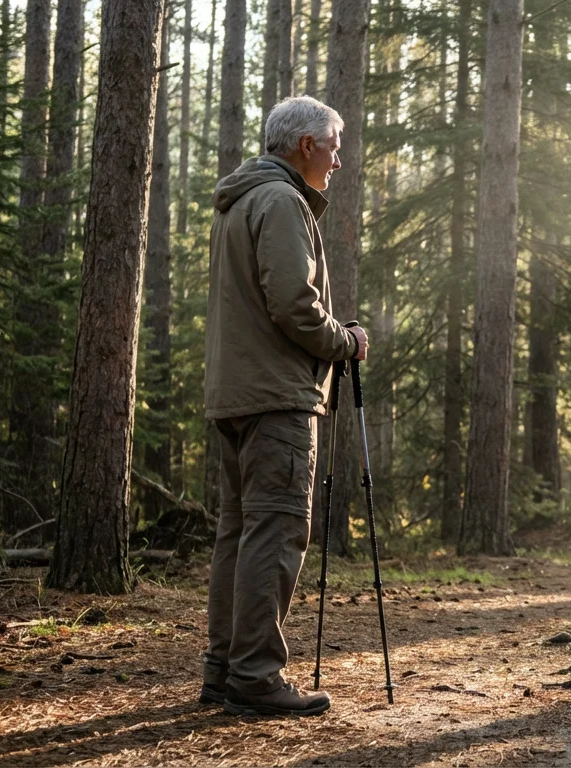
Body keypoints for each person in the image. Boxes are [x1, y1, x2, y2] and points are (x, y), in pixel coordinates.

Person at [199, 96, 368, 717]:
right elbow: (294, 304)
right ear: (306, 146)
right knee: (273, 532)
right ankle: (255, 676)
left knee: (240, 533)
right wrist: (345, 342)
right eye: (334, 146)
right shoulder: (282, 201)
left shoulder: (242, 200)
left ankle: (223, 671)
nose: (339, 159)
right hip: (275, 396)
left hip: (235, 393)